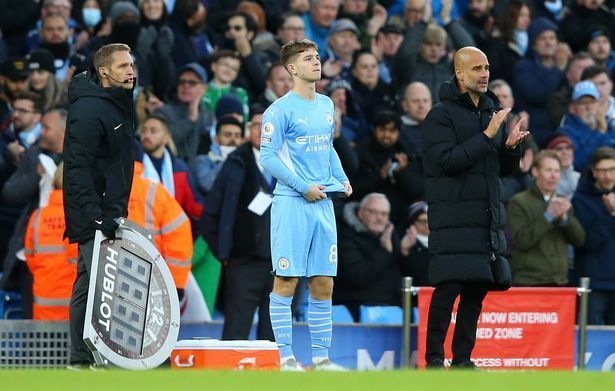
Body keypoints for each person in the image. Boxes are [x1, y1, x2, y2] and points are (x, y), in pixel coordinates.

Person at [421, 46, 529, 369]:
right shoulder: (439, 115)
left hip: (485, 220)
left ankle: (463, 360)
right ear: (459, 74)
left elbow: (499, 170)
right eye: (476, 69)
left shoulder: (490, 112)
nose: (484, 74)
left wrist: (510, 149)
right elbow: (447, 163)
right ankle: (434, 361)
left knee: (476, 292)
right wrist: (487, 136)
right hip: (453, 219)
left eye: (486, 68)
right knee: (448, 289)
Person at [260, 39, 352, 371]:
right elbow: (267, 157)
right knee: (286, 280)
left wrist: (341, 178)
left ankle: (321, 359)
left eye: (316, 57)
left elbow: (328, 146)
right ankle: (285, 358)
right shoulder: (279, 110)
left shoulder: (327, 104)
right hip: (292, 204)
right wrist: (302, 187)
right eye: (308, 59)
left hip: (322, 203)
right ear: (292, 69)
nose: (316, 62)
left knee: (323, 282)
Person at [63, 43, 136, 369]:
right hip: (96, 214)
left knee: (88, 284)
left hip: (107, 211)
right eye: (123, 66)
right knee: (103, 288)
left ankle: (81, 359)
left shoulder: (114, 103)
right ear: (104, 72)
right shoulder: (91, 110)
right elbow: (77, 170)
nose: (131, 71)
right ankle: (100, 356)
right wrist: (96, 217)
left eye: (131, 65)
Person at [200, 106, 275, 341]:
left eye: (267, 126)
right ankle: (230, 379)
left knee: (275, 338)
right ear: (248, 130)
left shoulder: (293, 163)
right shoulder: (234, 162)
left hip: (283, 265)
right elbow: (210, 215)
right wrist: (225, 253)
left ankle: (273, 379)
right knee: (235, 334)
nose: (261, 131)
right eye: (255, 125)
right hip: (243, 264)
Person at [507, 150, 585, 286]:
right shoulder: (518, 202)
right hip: (529, 281)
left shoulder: (562, 201)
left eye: (557, 171)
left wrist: (565, 219)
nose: (553, 176)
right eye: (549, 170)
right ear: (535, 171)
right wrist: (549, 216)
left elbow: (579, 240)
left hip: (560, 280)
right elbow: (521, 241)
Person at [335, 193, 402, 322]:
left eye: (384, 214)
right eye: (374, 212)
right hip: (359, 307)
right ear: (360, 212)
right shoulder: (346, 238)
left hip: (392, 305)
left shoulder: (391, 236)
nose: (380, 218)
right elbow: (357, 276)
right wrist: (384, 251)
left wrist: (405, 251)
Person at [25, 162, 77, 320]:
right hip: (74, 308)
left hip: (44, 306)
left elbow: (30, 259)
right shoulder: (80, 218)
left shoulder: (38, 217)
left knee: (46, 344)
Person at [572, 147, 615, 325]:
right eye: (603, 171)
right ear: (593, 172)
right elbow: (587, 242)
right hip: (594, 283)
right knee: (592, 339)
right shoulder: (580, 200)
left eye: (612, 170)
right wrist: (610, 214)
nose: (608, 176)